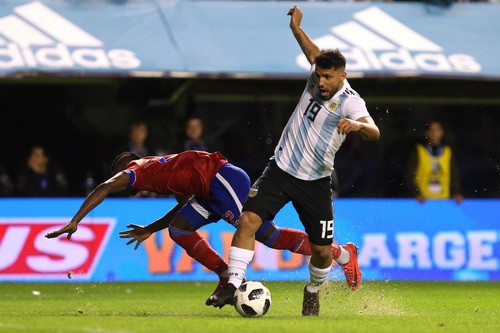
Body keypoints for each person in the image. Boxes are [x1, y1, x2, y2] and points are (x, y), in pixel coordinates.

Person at [207, 5, 380, 316]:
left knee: (322, 252)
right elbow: (313, 53)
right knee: (248, 221)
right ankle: (233, 283)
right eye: (319, 76)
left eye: (328, 77)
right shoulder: (315, 77)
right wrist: (296, 29)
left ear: (343, 76)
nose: (321, 83)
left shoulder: (351, 102)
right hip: (281, 170)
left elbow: (375, 132)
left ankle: (312, 290)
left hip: (315, 182)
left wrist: (359, 126)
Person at [45, 150, 358, 303]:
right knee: (179, 229)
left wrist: (75, 221)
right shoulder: (157, 172)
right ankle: (226, 275)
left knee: (267, 235)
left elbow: (104, 186)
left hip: (224, 179)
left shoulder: (136, 171)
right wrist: (152, 229)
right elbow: (184, 204)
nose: (124, 185)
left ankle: (342, 254)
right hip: (207, 190)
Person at [407, 120, 463, 203]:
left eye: (437, 130)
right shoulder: (418, 151)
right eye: (431, 130)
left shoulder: (448, 151)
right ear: (426, 133)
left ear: (442, 132)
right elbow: (410, 176)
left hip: (444, 201)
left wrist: (456, 193)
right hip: (423, 201)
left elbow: (454, 175)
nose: (434, 133)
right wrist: (416, 193)